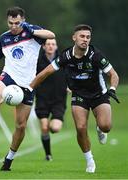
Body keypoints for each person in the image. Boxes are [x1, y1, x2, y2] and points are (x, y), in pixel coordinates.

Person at [0, 6, 55, 171]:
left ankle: (9, 159)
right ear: (7, 21)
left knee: (20, 126)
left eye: (17, 23)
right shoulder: (3, 38)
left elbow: (51, 35)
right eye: (10, 23)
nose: (13, 26)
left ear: (23, 20)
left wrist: (32, 30)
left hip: (28, 84)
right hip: (9, 76)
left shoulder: (33, 32)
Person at [29, 24, 120, 173]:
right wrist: (30, 88)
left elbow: (113, 75)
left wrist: (112, 89)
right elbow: (45, 73)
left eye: (88, 37)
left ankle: (99, 128)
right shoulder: (65, 56)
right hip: (78, 95)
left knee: (106, 126)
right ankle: (90, 160)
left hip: (99, 94)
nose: (85, 40)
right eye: (82, 36)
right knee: (80, 127)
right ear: (74, 38)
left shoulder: (96, 55)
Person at [35, 39, 67, 161]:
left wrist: (70, 85)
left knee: (55, 128)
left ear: (56, 46)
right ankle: (48, 155)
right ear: (43, 46)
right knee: (44, 127)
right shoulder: (38, 61)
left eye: (53, 44)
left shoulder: (63, 61)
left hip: (59, 100)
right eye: (48, 44)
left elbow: (69, 74)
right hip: (42, 99)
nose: (50, 46)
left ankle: (50, 127)